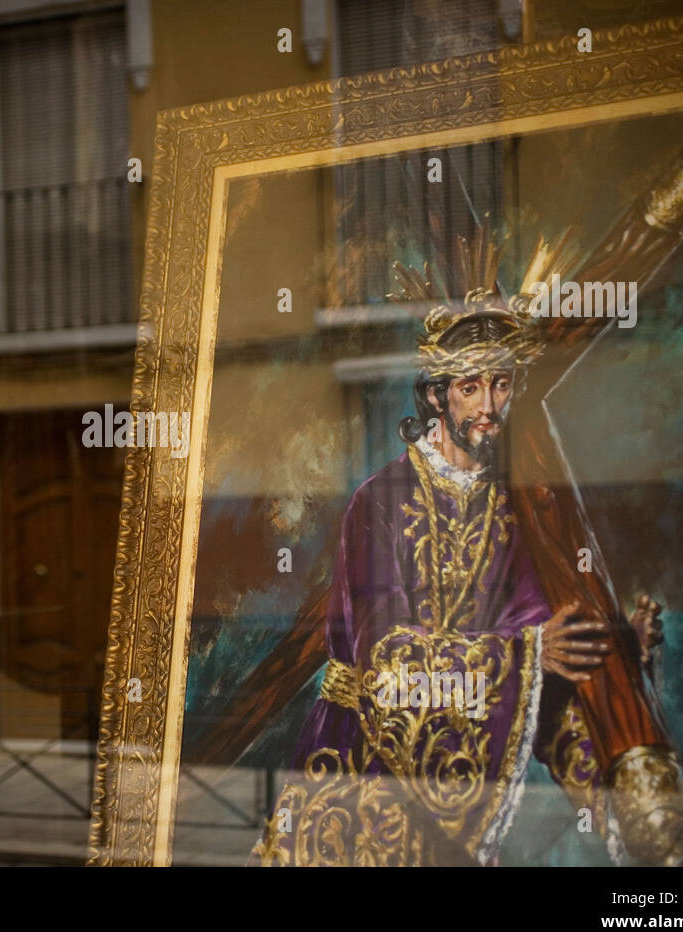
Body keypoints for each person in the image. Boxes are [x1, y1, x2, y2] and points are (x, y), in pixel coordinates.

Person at [250, 275, 662, 866]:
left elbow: (542, 640)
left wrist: (612, 656)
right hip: (362, 761)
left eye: (501, 384)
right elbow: (387, 657)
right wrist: (524, 656)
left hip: (463, 776)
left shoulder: (513, 509)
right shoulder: (380, 501)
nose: (490, 405)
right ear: (438, 395)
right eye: (471, 387)